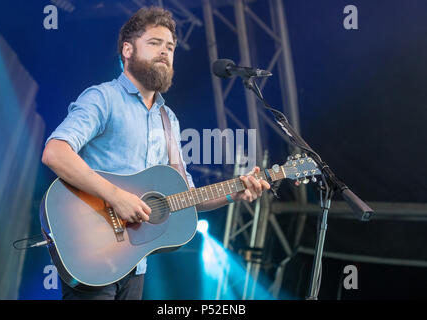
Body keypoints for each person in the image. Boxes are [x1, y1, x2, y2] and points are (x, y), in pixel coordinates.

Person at [41, 6, 270, 300]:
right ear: (127, 49)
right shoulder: (104, 98)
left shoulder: (169, 119)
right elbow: (55, 152)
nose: (165, 52)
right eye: (155, 43)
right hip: (91, 253)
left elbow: (188, 195)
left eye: (170, 47)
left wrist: (233, 192)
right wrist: (116, 196)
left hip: (135, 264)